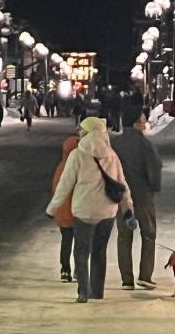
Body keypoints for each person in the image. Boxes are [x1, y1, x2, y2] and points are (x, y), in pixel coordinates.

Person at [47, 117, 136, 303]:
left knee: (81, 250)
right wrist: (128, 209)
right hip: (107, 212)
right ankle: (97, 291)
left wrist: (53, 208)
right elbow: (122, 185)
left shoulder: (77, 155)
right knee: (99, 251)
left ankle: (83, 291)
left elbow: (65, 185)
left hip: (83, 211)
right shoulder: (112, 155)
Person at [111, 105, 162, 290]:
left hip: (122, 197)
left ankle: (126, 279)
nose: (145, 122)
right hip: (143, 196)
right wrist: (154, 187)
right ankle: (145, 275)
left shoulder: (115, 143)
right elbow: (154, 168)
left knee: (124, 237)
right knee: (148, 234)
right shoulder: (144, 144)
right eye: (143, 120)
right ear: (136, 122)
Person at [51, 134, 79, 281]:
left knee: (66, 240)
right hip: (77, 211)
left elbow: (55, 189)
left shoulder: (60, 168)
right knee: (80, 241)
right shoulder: (80, 167)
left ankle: (65, 269)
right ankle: (78, 269)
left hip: (63, 212)